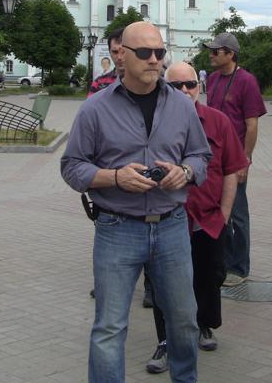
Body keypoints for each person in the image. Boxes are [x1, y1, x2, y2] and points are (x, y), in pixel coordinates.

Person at [61, 21, 212, 383]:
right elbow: (72, 166)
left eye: (160, 52)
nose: (154, 60)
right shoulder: (95, 109)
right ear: (122, 57)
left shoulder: (182, 105)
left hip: (172, 226)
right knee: (110, 327)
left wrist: (185, 173)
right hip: (117, 228)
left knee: (184, 321)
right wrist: (114, 177)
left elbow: (201, 157)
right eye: (144, 53)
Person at [145, 62, 247, 374]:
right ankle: (166, 341)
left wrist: (226, 213)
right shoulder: (154, 124)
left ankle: (204, 325)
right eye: (176, 86)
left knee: (208, 277)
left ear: (198, 87)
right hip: (166, 221)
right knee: (164, 285)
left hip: (208, 219)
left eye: (190, 85)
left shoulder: (218, 122)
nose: (184, 91)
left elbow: (232, 169)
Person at [87, 26, 153, 308]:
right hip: (112, 191)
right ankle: (107, 282)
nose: (117, 57)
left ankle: (152, 285)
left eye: (120, 51)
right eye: (113, 52)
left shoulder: (154, 88)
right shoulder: (101, 85)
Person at [203, 32, 266, 286]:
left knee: (238, 214)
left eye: (216, 51)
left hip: (236, 160)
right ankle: (222, 263)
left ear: (231, 54)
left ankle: (239, 268)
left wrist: (246, 161)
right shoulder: (215, 79)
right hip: (214, 160)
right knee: (220, 212)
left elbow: (251, 126)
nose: (211, 54)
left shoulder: (246, 81)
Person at [87, 27, 125, 96]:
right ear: (109, 52)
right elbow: (90, 106)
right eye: (115, 52)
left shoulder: (143, 81)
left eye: (124, 52)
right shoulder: (99, 82)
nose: (119, 57)